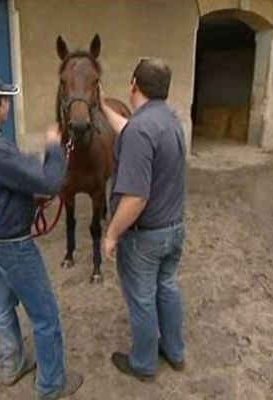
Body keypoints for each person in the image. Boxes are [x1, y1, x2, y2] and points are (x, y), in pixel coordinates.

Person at [0, 74, 83, 399]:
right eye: (5, 99)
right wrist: (54, 145)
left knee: (2, 306)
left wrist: (26, 200)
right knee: (46, 315)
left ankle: (11, 365)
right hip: (14, 244)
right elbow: (50, 182)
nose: (9, 104)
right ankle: (51, 385)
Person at [100, 59, 187, 381]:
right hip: (174, 230)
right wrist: (101, 105)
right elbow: (130, 130)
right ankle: (175, 353)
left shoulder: (141, 129)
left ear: (134, 83)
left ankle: (144, 363)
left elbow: (136, 197)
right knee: (167, 288)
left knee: (142, 300)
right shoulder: (169, 119)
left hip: (144, 238)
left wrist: (111, 235)